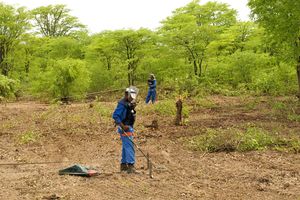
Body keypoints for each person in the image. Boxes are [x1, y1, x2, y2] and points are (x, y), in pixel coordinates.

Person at [112, 86, 138, 173]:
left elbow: (129, 114)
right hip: (125, 128)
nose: (132, 98)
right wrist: (123, 126)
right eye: (131, 96)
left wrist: (132, 108)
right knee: (129, 146)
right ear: (126, 95)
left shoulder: (128, 103)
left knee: (125, 146)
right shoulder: (122, 104)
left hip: (129, 126)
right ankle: (131, 166)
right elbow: (115, 115)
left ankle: (123, 165)